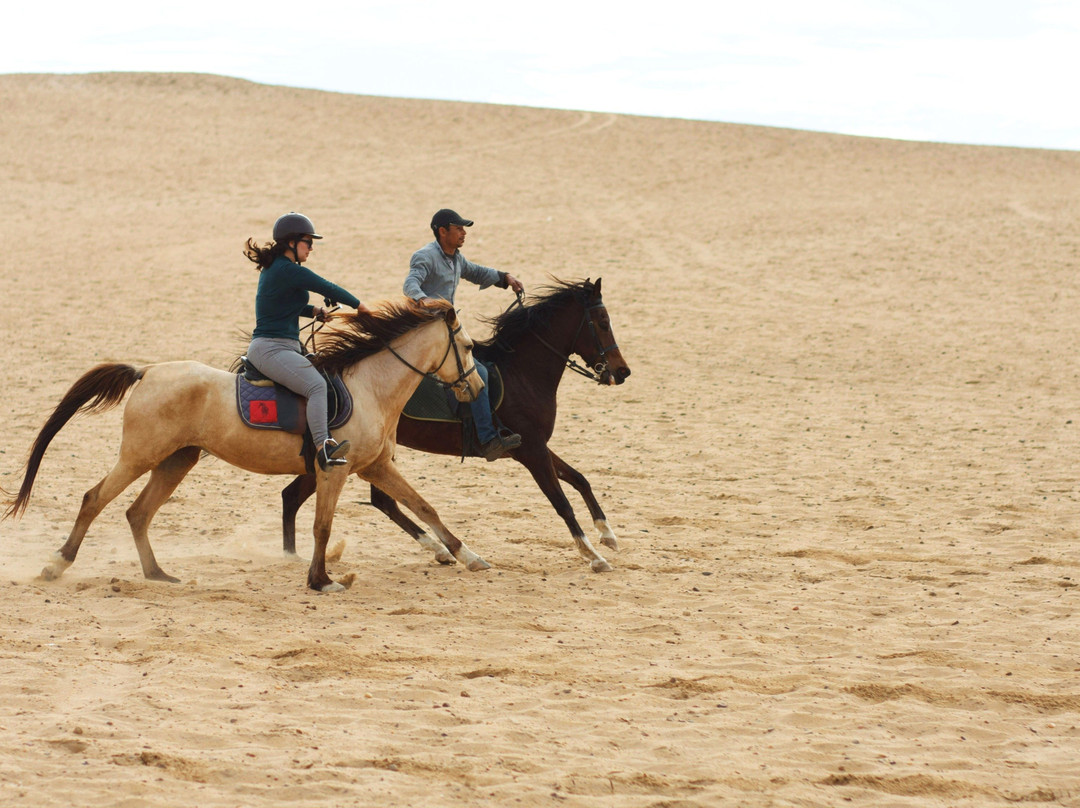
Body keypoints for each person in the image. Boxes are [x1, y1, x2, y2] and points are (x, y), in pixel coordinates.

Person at [244, 212, 370, 471]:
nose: (311, 247)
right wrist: (361, 306)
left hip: (283, 346)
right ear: (291, 242)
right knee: (316, 386)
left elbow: (282, 304)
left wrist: (314, 312)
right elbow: (326, 286)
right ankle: (324, 448)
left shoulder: (279, 269)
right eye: (307, 242)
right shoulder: (287, 269)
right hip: (271, 348)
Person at [403, 209, 525, 461]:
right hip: (428, 333)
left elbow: (477, 272)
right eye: (458, 228)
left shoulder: (456, 259)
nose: (464, 232)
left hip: (447, 330)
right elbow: (410, 284)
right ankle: (488, 439)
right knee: (477, 374)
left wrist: (505, 278)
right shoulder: (425, 256)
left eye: (463, 228)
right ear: (442, 231)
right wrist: (423, 300)